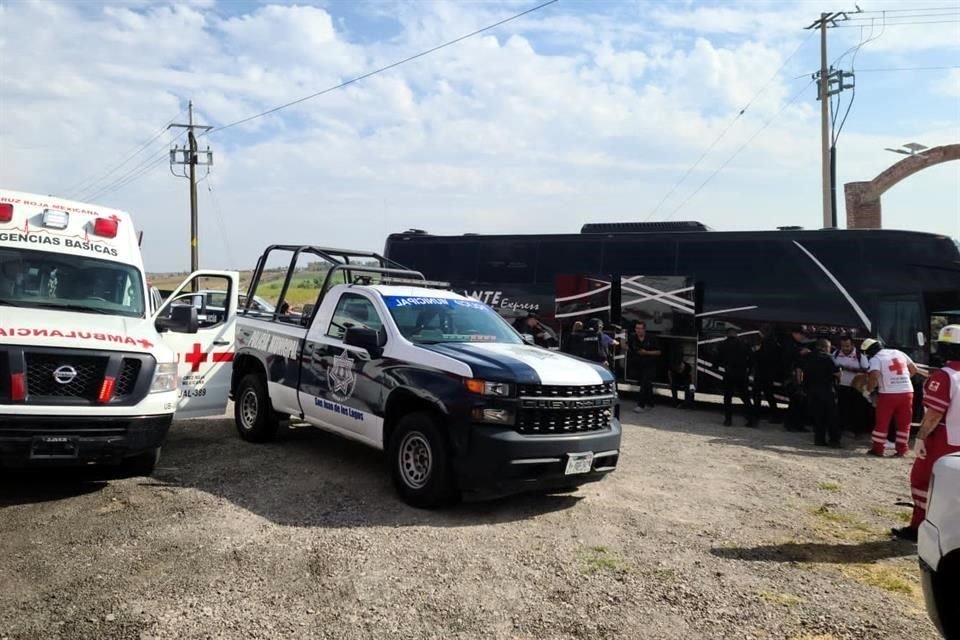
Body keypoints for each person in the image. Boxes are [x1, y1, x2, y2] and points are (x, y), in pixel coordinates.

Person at [893, 325, 960, 542]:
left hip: (943, 440)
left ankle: (919, 528)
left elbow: (934, 414)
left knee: (922, 481)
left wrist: (920, 438)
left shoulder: (945, 377)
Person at [862, 337, 927, 457]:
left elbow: (874, 376)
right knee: (904, 422)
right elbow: (914, 369)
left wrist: (869, 390)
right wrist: (902, 380)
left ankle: (878, 449)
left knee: (882, 421)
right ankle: (902, 449)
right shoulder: (899, 352)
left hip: (888, 394)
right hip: (907, 392)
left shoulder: (876, 359)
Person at [802, 338, 841, 447]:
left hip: (812, 391)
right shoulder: (829, 358)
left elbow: (801, 370)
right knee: (832, 417)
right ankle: (834, 441)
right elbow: (838, 373)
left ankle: (819, 440)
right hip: (827, 390)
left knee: (818, 417)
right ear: (824, 347)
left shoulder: (808, 357)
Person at [716, 327, 757, 427]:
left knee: (728, 398)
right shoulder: (744, 344)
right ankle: (751, 419)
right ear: (736, 334)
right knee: (745, 397)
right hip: (742, 374)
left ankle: (728, 420)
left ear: (727, 334)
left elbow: (718, 358)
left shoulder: (722, 345)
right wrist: (749, 371)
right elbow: (751, 359)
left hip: (729, 374)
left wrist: (716, 366)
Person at [833, 336, 869, 435]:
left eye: (847, 346)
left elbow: (866, 370)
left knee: (856, 409)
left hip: (855, 387)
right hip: (841, 385)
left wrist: (850, 369)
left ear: (852, 345)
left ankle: (857, 431)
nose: (845, 348)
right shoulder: (836, 353)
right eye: (843, 346)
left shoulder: (860, 356)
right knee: (841, 408)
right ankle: (840, 429)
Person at [783, 327, 813, 432]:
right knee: (796, 401)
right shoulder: (789, 344)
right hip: (792, 378)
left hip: (795, 377)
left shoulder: (794, 343)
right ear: (795, 333)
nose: (804, 337)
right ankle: (792, 424)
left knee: (798, 402)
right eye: (802, 335)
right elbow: (788, 357)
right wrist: (800, 352)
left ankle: (795, 424)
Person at [752, 324, 782, 423]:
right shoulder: (775, 343)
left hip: (761, 373)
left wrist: (756, 352)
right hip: (769, 374)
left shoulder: (765, 343)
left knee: (757, 394)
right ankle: (775, 415)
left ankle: (755, 416)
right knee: (769, 395)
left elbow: (761, 358)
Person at [629, 321, 660, 413]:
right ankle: (651, 402)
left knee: (644, 383)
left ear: (644, 329)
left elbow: (659, 352)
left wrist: (647, 353)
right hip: (638, 365)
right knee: (646, 384)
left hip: (650, 364)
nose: (638, 330)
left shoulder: (651, 338)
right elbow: (628, 348)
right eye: (636, 328)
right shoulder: (633, 338)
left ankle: (640, 405)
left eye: (640, 328)